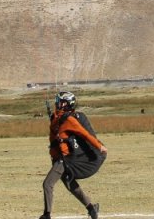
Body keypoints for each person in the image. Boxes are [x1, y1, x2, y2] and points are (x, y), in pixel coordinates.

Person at [41, 91, 107, 219]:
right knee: (70, 185)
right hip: (57, 158)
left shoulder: (70, 120)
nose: (57, 104)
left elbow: (85, 134)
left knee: (47, 184)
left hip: (63, 160)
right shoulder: (56, 118)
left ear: (67, 104)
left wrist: (99, 146)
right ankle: (92, 208)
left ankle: (46, 215)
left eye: (60, 102)